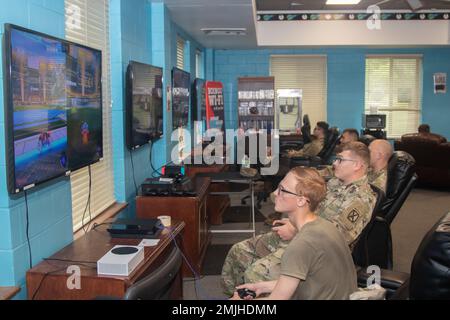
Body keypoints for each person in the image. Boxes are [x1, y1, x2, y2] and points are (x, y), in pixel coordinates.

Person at [221, 141, 376, 296]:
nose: (335, 163)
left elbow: (334, 238)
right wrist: (294, 223)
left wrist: (295, 229)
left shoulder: (362, 199)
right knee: (238, 251)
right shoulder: (336, 182)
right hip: (300, 232)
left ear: (357, 165)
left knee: (255, 274)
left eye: (340, 160)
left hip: (318, 254)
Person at [230, 167, 357, 300]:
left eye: (282, 190)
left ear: (301, 200)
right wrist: (262, 287)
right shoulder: (325, 226)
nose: (275, 193)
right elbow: (307, 282)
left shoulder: (301, 245)